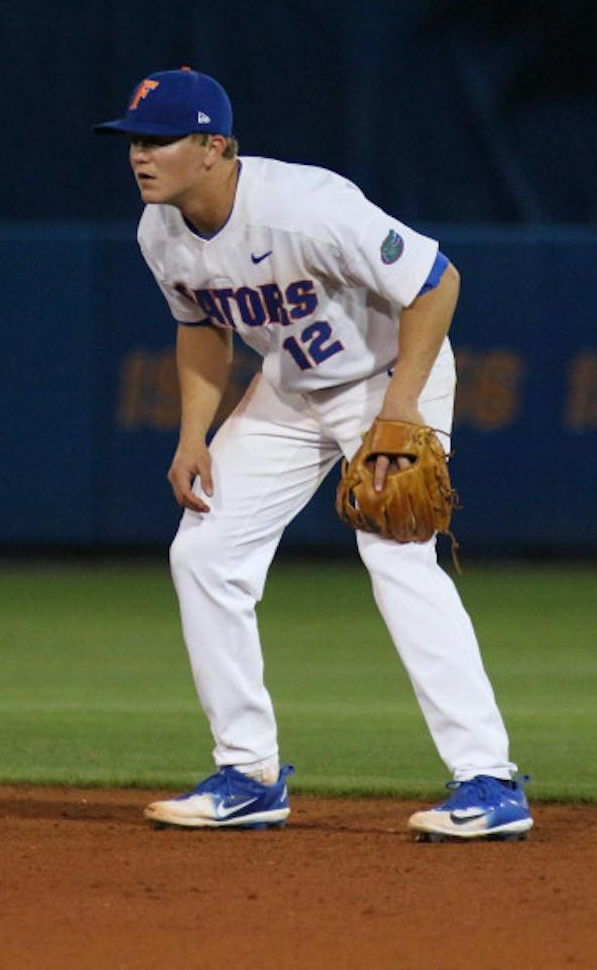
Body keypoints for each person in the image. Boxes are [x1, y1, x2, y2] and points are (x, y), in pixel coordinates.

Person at [93, 66, 531, 841]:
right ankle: (248, 772)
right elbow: (202, 327)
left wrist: (400, 416)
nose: (140, 154)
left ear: (214, 146)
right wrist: (194, 433)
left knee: (398, 556)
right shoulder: (158, 231)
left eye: (158, 139)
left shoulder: (303, 207)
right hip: (291, 390)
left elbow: (436, 280)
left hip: (391, 381)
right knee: (204, 551)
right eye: (133, 140)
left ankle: (488, 779)